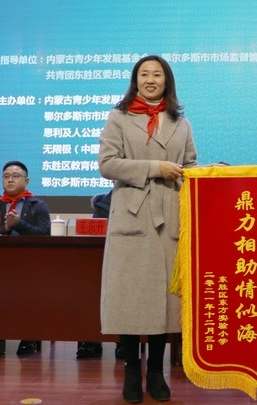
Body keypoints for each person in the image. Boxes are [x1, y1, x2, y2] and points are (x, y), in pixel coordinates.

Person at [98, 55, 198, 403]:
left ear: (167, 81)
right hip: (132, 214)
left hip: (169, 215)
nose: (151, 79)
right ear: (135, 80)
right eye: (144, 74)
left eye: (157, 74)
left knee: (163, 300)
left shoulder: (180, 122)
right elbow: (107, 164)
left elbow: (190, 165)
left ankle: (156, 371)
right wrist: (156, 167)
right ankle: (131, 369)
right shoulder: (119, 117)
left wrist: (203, 175)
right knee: (129, 296)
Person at [0, 160, 51, 356]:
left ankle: (28, 338)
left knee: (29, 298)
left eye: (15, 176)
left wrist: (19, 224)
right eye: (6, 177)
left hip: (29, 265)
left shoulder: (38, 205)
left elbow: (45, 234)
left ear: (26, 181)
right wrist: (6, 227)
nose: (10, 180)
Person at [76, 190, 124, 360]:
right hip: (102, 259)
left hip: (127, 259)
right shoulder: (103, 204)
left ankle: (123, 343)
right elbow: (95, 235)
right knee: (91, 294)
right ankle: (91, 340)